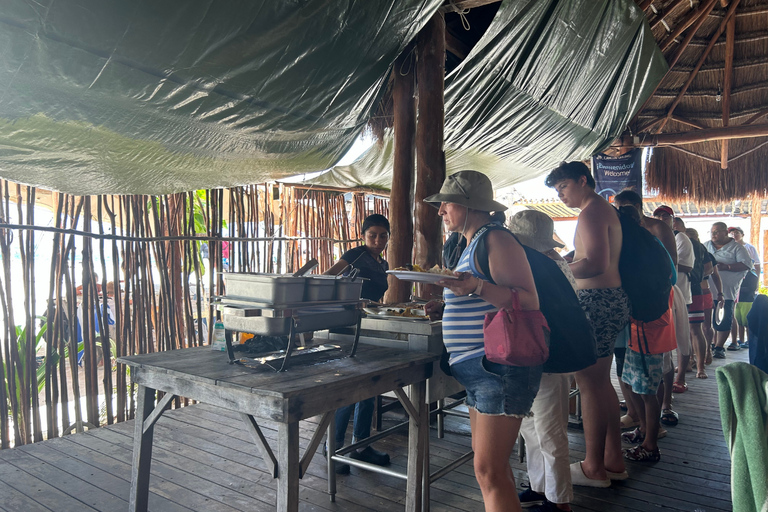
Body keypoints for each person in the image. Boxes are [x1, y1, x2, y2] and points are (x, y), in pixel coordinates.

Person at [425, 170, 542, 512]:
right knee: (492, 469)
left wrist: (474, 286)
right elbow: (485, 297)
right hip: (481, 369)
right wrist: (450, 303)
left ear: (468, 204)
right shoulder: (473, 243)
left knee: (488, 471)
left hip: (498, 368)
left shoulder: (497, 239)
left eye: (446, 203)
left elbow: (529, 300)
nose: (441, 210)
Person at [545, 162, 629, 488]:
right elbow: (590, 256)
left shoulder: (592, 211)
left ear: (583, 181)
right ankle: (613, 459)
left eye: (563, 187)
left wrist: (559, 270)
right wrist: (568, 260)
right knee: (601, 383)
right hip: (609, 300)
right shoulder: (600, 210)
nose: (561, 194)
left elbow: (595, 263)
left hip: (597, 301)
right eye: (557, 190)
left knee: (590, 383)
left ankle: (594, 467)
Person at [508, 210, 575, 512]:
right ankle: (540, 487)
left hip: (548, 356)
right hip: (538, 354)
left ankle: (560, 500)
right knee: (532, 428)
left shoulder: (541, 267)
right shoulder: (551, 263)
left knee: (548, 429)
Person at [324, 214, 391, 474]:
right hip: (348, 327)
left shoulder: (382, 262)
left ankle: (361, 446)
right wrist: (353, 301)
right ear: (363, 235)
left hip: (370, 326)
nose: (377, 240)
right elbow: (328, 279)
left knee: (370, 386)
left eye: (383, 235)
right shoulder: (355, 255)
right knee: (350, 388)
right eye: (372, 235)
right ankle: (335, 448)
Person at [612, 191, 675, 463]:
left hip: (646, 325)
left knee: (647, 390)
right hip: (650, 321)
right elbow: (670, 274)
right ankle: (645, 430)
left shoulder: (635, 248)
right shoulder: (649, 243)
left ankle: (651, 444)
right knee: (640, 383)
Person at [653, 207, 692, 399]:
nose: (661, 219)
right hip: (657, 295)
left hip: (677, 293)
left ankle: (681, 377)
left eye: (665, 216)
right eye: (658, 216)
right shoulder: (649, 237)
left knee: (681, 338)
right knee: (664, 347)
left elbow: (684, 265)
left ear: (673, 219)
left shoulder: (680, 238)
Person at [704, 222, 752, 359]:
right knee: (708, 321)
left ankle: (719, 347)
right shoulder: (705, 245)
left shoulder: (737, 248)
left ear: (726, 233)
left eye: (717, 231)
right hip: (707, 290)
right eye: (712, 232)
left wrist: (727, 267)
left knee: (724, 320)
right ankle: (710, 345)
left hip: (727, 292)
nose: (714, 234)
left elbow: (747, 265)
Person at [680, 225, 715, 379]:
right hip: (681, 290)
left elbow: (710, 269)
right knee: (683, 330)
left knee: (696, 329)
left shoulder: (700, 247)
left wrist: (694, 276)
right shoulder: (673, 242)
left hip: (694, 290)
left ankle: (700, 367)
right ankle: (688, 362)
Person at [728, 226, 760, 350]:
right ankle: (739, 340)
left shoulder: (749, 248)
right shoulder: (730, 248)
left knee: (747, 315)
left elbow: (756, 266)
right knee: (736, 313)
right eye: (732, 233)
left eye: (736, 233)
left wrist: (756, 283)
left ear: (742, 234)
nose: (734, 235)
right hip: (735, 285)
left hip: (748, 284)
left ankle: (749, 340)